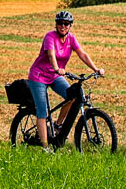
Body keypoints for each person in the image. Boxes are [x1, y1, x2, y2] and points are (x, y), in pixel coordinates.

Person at [27, 10, 102, 150]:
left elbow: (82, 54)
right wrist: (56, 68)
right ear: (56, 24)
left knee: (73, 97)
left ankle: (57, 125)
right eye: (60, 23)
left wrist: (95, 69)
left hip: (55, 76)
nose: (63, 26)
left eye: (66, 24)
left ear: (70, 25)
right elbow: (51, 54)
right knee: (42, 111)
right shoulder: (50, 36)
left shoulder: (71, 38)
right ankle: (46, 148)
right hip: (39, 76)